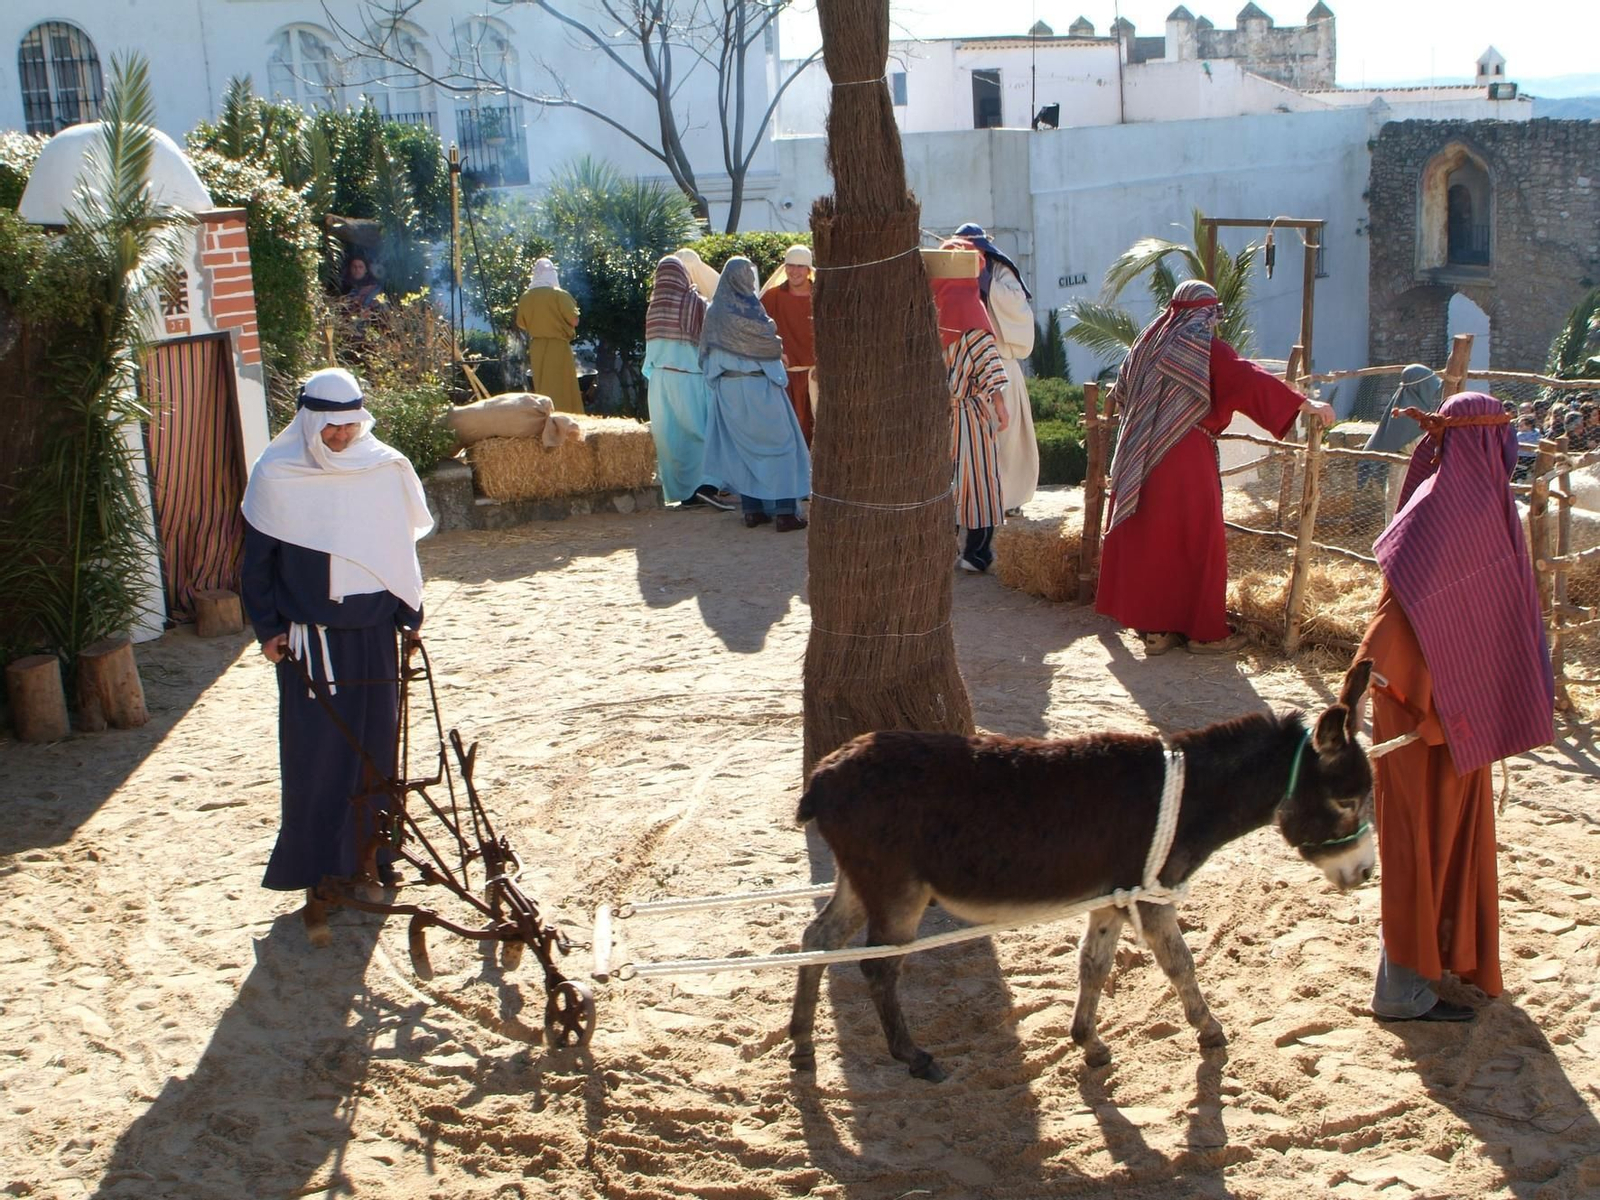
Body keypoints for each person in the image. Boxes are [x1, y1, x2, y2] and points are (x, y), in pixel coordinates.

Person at [1356, 392, 1554, 1023]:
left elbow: (1477, 617)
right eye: (1505, 437)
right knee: (1420, 837)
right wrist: (1425, 701)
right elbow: (1407, 616)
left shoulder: (1456, 498)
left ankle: (1435, 962)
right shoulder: (1463, 509)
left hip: (1440, 703)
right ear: (1488, 441)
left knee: (1441, 834)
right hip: (1423, 709)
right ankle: (1400, 987)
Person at [240, 367, 434, 946]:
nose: (343, 438)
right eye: (333, 428)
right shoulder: (278, 474)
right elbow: (257, 562)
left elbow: (398, 545)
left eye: (351, 426)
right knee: (320, 751)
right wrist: (268, 627)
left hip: (375, 632)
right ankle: (320, 868)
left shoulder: (383, 467)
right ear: (309, 420)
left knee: (378, 745)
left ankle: (375, 856)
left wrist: (409, 614)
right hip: (312, 639)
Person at [1095, 280, 1333, 655]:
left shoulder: (1146, 344)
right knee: (1198, 541)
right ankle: (1204, 634)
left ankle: (1156, 631)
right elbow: (1247, 378)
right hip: (1184, 455)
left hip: (1138, 453)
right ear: (1207, 313)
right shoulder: (1204, 349)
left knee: (1151, 538)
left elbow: (1120, 392)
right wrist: (1306, 405)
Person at [699, 257, 811, 532]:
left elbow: (707, 359)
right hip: (761, 388)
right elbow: (771, 357)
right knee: (782, 448)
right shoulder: (753, 312)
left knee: (742, 451)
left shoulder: (714, 313)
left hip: (727, 391)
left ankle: (753, 511)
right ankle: (785, 513)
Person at [932, 250, 1010, 573]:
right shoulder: (971, 312)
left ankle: (941, 550)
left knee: (942, 483)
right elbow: (989, 364)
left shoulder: (932, 310)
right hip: (970, 412)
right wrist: (1000, 405)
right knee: (979, 482)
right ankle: (976, 554)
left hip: (939, 414)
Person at [953, 222, 1037, 514]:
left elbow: (1016, 303)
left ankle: (1008, 499)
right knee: (972, 442)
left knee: (1007, 437)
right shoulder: (951, 275)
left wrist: (986, 282)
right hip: (964, 370)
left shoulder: (1000, 271)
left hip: (1000, 364)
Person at [642, 255, 731, 510]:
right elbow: (712, 343)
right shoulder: (698, 304)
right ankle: (705, 486)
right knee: (702, 434)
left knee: (670, 440)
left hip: (660, 383)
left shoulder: (653, 308)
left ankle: (682, 492)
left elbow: (650, 355)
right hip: (691, 379)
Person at [1357, 364, 1443, 520]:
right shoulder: (1407, 414)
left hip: (1414, 471)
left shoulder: (1419, 410)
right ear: (1421, 387)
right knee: (1401, 514)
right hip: (1405, 471)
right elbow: (1417, 445)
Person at [760, 244, 818, 445]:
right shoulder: (772, 297)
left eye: (800, 266)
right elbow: (758, 332)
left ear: (809, 269)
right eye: (790, 265)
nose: (795, 271)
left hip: (816, 378)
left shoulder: (820, 296)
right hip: (782, 379)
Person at [514, 258, 583, 414]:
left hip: (537, 347)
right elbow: (574, 320)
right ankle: (565, 420)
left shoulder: (526, 297)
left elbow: (521, 323)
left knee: (543, 386)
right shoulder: (559, 295)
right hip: (558, 346)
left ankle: (546, 418)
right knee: (563, 387)